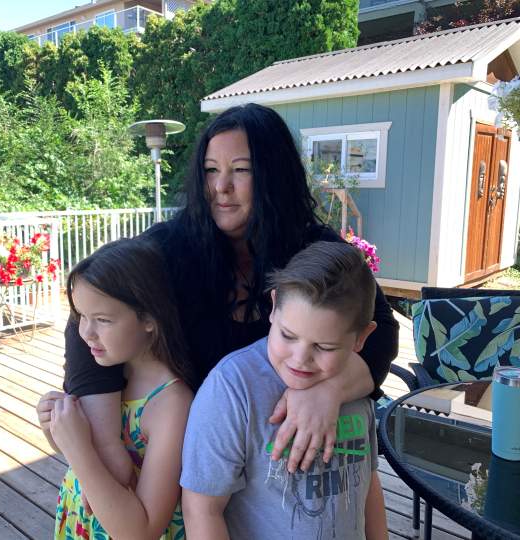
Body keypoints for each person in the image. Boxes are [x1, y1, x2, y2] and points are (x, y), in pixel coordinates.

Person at [58, 103, 399, 500]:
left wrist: (330, 389)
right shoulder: (168, 247)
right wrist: (105, 445)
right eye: (210, 170)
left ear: (273, 175)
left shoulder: (312, 249)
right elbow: (88, 316)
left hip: (277, 480)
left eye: (240, 170)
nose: (221, 186)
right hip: (187, 478)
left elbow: (381, 331)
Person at [181, 241, 388, 539]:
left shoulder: (355, 389)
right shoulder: (231, 389)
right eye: (288, 335)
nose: (300, 358)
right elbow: (201, 509)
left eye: (324, 347)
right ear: (274, 305)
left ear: (361, 338)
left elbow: (368, 483)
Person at [36, 237, 195, 539]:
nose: (86, 333)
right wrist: (55, 427)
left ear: (149, 318)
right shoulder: (104, 381)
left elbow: (143, 530)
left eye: (103, 320)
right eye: (81, 316)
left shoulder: (171, 404)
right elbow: (73, 449)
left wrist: (77, 447)